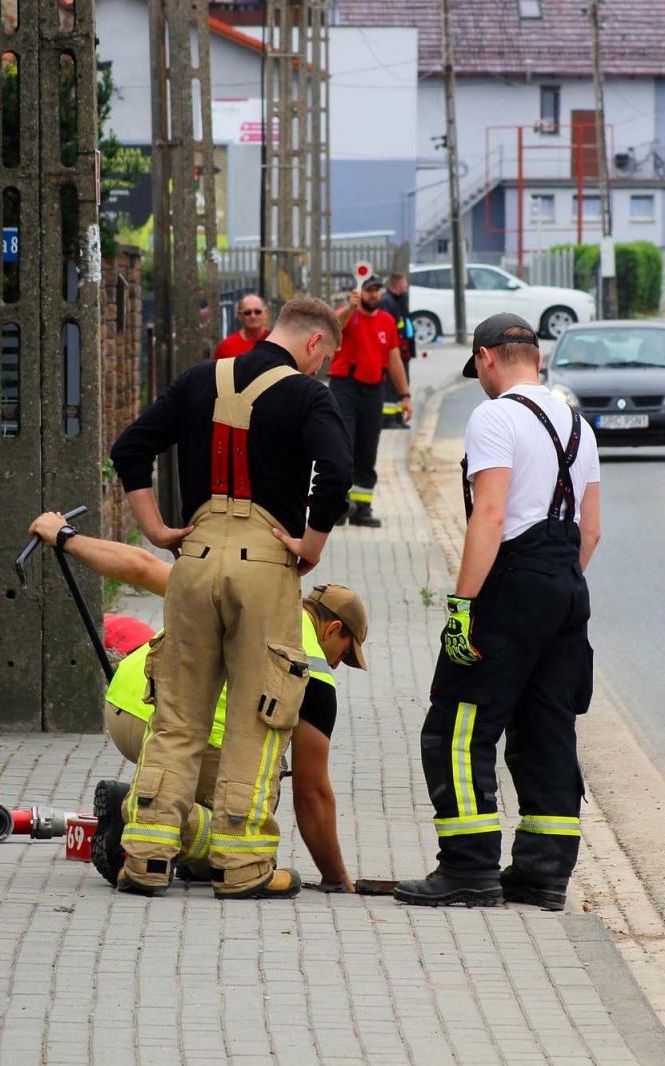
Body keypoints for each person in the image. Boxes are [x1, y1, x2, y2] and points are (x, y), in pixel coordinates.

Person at [108, 295, 352, 901]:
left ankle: (144, 858)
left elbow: (130, 448)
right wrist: (311, 543)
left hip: (194, 560)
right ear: (315, 344)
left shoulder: (198, 378)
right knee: (256, 714)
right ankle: (242, 868)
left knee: (178, 714)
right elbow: (338, 468)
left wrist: (157, 530)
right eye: (323, 360)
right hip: (266, 564)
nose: (319, 371)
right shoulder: (308, 395)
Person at [25, 512, 367, 892]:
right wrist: (337, 879)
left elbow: (140, 565)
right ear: (333, 629)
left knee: (226, 806)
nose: (338, 664)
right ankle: (139, 814)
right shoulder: (315, 673)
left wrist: (66, 537)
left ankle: (161, 831)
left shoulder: (241, 591)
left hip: (129, 707)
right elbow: (312, 792)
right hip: (195, 733)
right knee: (249, 814)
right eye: (345, 654)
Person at [394, 313, 601, 911]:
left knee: (457, 729)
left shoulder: (494, 416)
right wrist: (554, 591)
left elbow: (489, 514)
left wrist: (462, 605)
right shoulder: (578, 424)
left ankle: (468, 869)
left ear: (487, 358)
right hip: (565, 585)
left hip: (510, 582)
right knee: (546, 732)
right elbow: (592, 530)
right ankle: (543, 875)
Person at [331, 274, 412, 527]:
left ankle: (361, 509)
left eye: (377, 290)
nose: (374, 295)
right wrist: (350, 308)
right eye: (369, 290)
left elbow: (394, 359)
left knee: (367, 450)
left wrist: (405, 395)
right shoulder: (348, 315)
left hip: (373, 389)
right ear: (359, 292)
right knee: (343, 446)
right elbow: (333, 327)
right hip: (345, 386)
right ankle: (336, 506)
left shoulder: (387, 321)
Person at [378, 272, 416, 429]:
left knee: (402, 383)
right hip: (395, 351)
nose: (406, 286)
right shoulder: (387, 302)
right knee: (392, 386)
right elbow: (389, 328)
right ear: (397, 284)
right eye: (404, 283)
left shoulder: (400, 299)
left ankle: (399, 417)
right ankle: (388, 419)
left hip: (403, 351)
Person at [215, 293, 271, 359]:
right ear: (239, 315)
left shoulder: (276, 342)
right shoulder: (226, 347)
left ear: (266, 313)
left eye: (257, 311)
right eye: (247, 312)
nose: (253, 316)